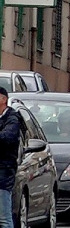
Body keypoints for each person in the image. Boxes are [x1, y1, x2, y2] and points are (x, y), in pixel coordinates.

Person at [0, 86, 21, 228]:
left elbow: (7, 137)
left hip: (3, 172)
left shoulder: (12, 118)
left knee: (3, 217)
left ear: (3, 99)